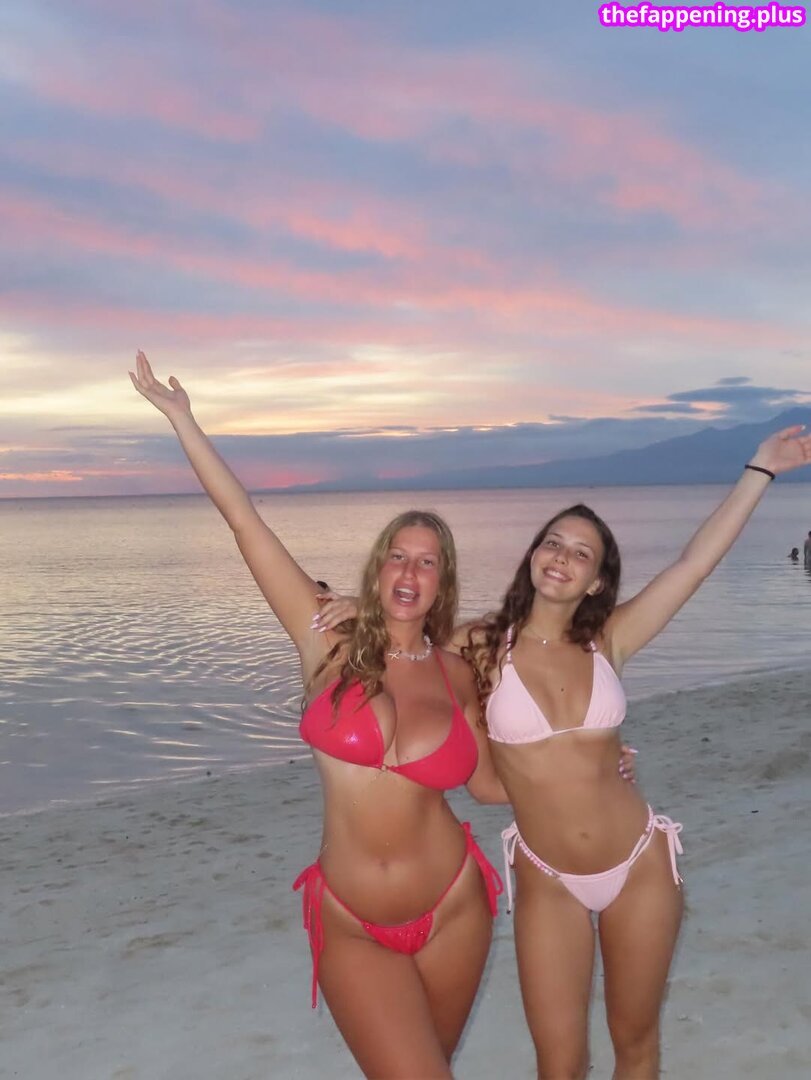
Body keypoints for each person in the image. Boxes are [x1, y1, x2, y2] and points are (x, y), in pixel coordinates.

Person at [129, 351, 510, 1077]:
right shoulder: (326, 639)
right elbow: (245, 523)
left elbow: (491, 784)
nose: (409, 570)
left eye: (427, 561)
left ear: (443, 582)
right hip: (352, 921)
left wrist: (581, 765)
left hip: (456, 906)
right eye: (397, 556)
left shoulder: (458, 673)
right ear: (377, 568)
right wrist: (183, 420)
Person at [462, 428, 811, 1079]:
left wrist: (760, 470)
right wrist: (351, 609)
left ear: (597, 582)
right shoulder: (479, 647)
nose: (561, 558)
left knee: (636, 1044)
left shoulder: (610, 642)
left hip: (638, 865)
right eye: (552, 542)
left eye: (581, 553)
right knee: (559, 1065)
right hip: (546, 876)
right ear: (532, 555)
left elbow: (692, 565)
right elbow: (410, 667)